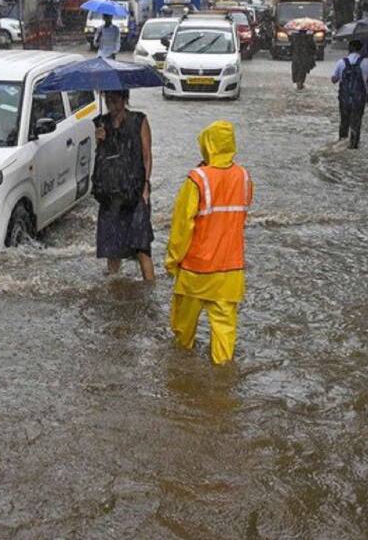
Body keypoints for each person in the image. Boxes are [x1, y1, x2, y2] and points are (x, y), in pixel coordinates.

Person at [165, 121, 253, 365]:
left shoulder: (197, 179)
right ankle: (222, 385)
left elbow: (182, 227)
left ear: (207, 144)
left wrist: (172, 261)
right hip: (230, 272)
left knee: (182, 336)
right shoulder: (244, 177)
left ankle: (182, 378)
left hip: (196, 271)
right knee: (225, 338)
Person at [93, 90, 155, 280]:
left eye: (115, 99)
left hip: (135, 192)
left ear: (124, 99)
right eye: (107, 99)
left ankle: (149, 290)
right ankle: (114, 286)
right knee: (112, 249)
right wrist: (100, 140)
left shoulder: (139, 120)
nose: (111, 103)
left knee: (141, 246)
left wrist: (145, 186)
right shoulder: (101, 123)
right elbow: (101, 159)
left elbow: (147, 155)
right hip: (111, 194)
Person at [331, 39, 368, 149]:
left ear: (349, 49)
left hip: (344, 98)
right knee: (356, 123)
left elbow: (334, 80)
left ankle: (341, 144)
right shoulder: (366, 62)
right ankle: (354, 145)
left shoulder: (342, 62)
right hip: (359, 99)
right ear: (360, 49)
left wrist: (339, 77)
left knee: (344, 121)